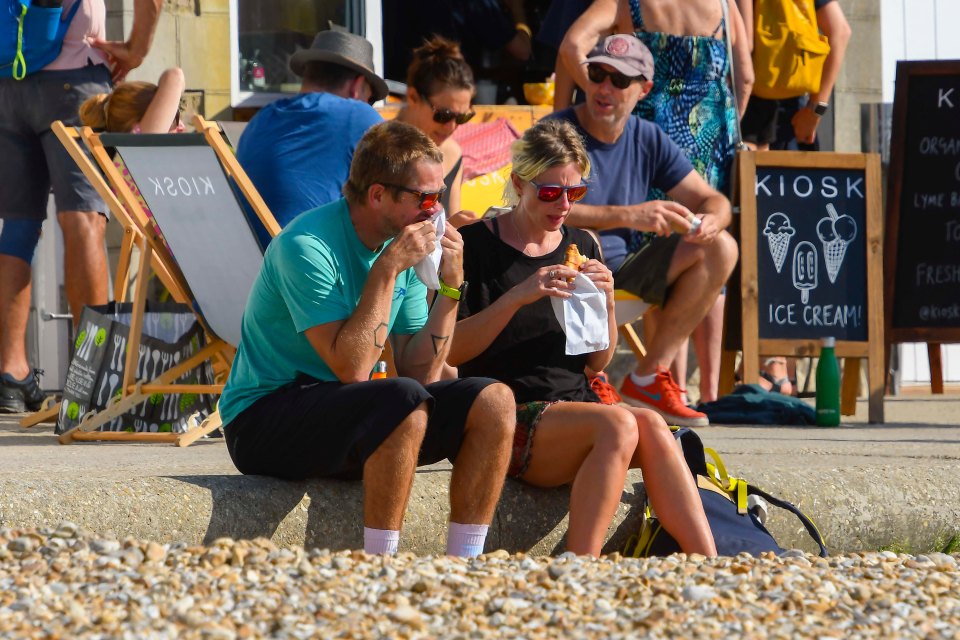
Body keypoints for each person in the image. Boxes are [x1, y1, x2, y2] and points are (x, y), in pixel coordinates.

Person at [219, 120, 516, 558]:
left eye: (439, 195)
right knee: (403, 403)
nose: (436, 212)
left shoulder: (403, 244)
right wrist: (385, 270)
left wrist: (451, 290)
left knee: (494, 400)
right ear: (378, 195)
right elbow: (353, 368)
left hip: (345, 408)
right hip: (263, 416)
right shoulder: (306, 246)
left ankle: (465, 562)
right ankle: (380, 565)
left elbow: (421, 369)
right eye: (426, 198)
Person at [450, 119, 716, 557]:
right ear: (519, 183)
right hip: (507, 416)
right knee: (619, 421)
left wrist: (608, 302)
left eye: (575, 193)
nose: (563, 205)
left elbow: (597, 362)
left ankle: (708, 559)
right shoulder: (474, 246)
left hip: (574, 409)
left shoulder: (582, 244)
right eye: (551, 192)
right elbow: (453, 351)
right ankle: (580, 565)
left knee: (650, 423)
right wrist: (518, 296)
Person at [559, 0, 753, 405]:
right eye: (598, 74)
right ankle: (683, 386)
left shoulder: (647, 135)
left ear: (643, 88)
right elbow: (745, 78)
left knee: (718, 245)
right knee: (650, 238)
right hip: (568, 273)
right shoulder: (559, 132)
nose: (605, 85)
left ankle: (654, 377)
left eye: (619, 80)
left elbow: (570, 44)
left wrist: (715, 219)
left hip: (626, 266)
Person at [0, 0, 163, 414]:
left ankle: (10, 375)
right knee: (83, 221)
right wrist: (138, 49)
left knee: (17, 226)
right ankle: (91, 379)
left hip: (6, 82)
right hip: (73, 77)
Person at [738, 0, 850, 393]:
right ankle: (779, 364)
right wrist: (816, 109)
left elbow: (744, 46)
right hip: (798, 107)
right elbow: (841, 32)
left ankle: (771, 364)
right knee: (788, 233)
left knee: (758, 235)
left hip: (755, 110)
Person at [236, 30, 386, 247]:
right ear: (356, 87)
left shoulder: (262, 117)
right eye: (369, 99)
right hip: (304, 267)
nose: (368, 106)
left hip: (249, 263)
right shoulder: (358, 116)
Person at [395, 36, 476, 227]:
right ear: (413, 97)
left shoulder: (451, 153)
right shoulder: (381, 151)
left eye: (462, 117)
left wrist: (456, 227)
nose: (452, 127)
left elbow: (450, 225)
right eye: (443, 115)